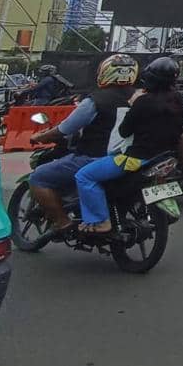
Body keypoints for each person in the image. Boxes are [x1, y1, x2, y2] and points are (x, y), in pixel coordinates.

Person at [28, 54, 140, 233]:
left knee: (38, 177)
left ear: (105, 72)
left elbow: (66, 128)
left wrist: (40, 137)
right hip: (130, 157)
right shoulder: (139, 97)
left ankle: (63, 222)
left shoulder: (95, 100)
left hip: (93, 156)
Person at [75, 56, 183, 235]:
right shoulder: (179, 99)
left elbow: (124, 131)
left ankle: (100, 221)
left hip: (137, 159)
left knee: (84, 175)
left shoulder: (143, 102)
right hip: (165, 157)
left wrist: (132, 105)